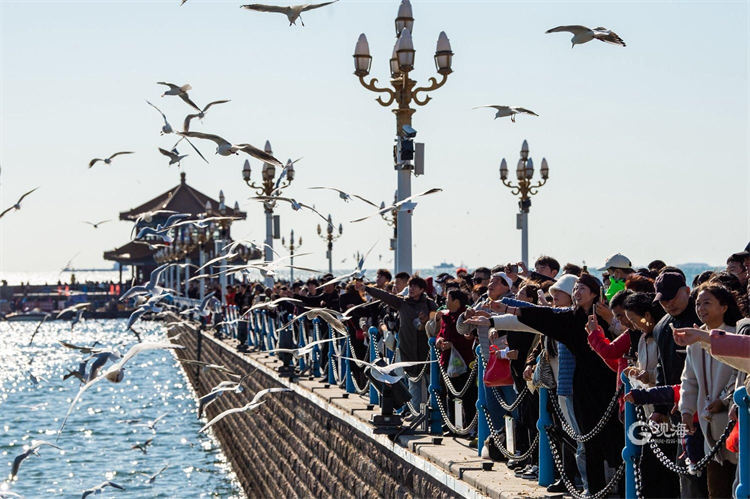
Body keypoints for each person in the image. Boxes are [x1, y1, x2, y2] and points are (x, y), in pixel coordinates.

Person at [467, 273, 622, 494]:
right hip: (580, 385)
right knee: (586, 440)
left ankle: (618, 487)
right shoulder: (570, 317)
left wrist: (611, 321)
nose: (577, 293)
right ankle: (594, 489)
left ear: (595, 293)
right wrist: (500, 314)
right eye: (575, 288)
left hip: (608, 385)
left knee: (612, 438)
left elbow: (625, 337)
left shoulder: (605, 316)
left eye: (582, 289)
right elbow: (542, 316)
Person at [678, 284, 740, 498]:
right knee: (716, 489)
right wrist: (686, 410)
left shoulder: (736, 334)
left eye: (707, 303)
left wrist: (724, 400)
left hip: (734, 424)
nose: (700, 308)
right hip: (709, 427)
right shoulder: (694, 339)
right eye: (697, 304)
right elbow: (689, 379)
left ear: (724, 306)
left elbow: (740, 373)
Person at [356, 276, 436, 414]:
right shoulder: (402, 303)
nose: (411, 289)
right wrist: (367, 288)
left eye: (415, 287)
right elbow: (385, 296)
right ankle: (415, 413)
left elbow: (436, 322)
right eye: (410, 286)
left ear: (422, 289)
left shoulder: (430, 304)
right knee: (413, 383)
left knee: (431, 383)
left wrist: (426, 320)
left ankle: (433, 415)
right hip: (408, 348)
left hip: (426, 350)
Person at [434, 288, 476, 433]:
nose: (445, 302)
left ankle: (468, 426)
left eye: (448, 299)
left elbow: (467, 339)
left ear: (456, 302)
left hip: (464, 362)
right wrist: (439, 341)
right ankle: (453, 424)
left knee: (467, 396)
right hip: (447, 361)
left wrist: (452, 344)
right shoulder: (447, 316)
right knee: (450, 395)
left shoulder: (465, 316)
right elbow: (441, 333)